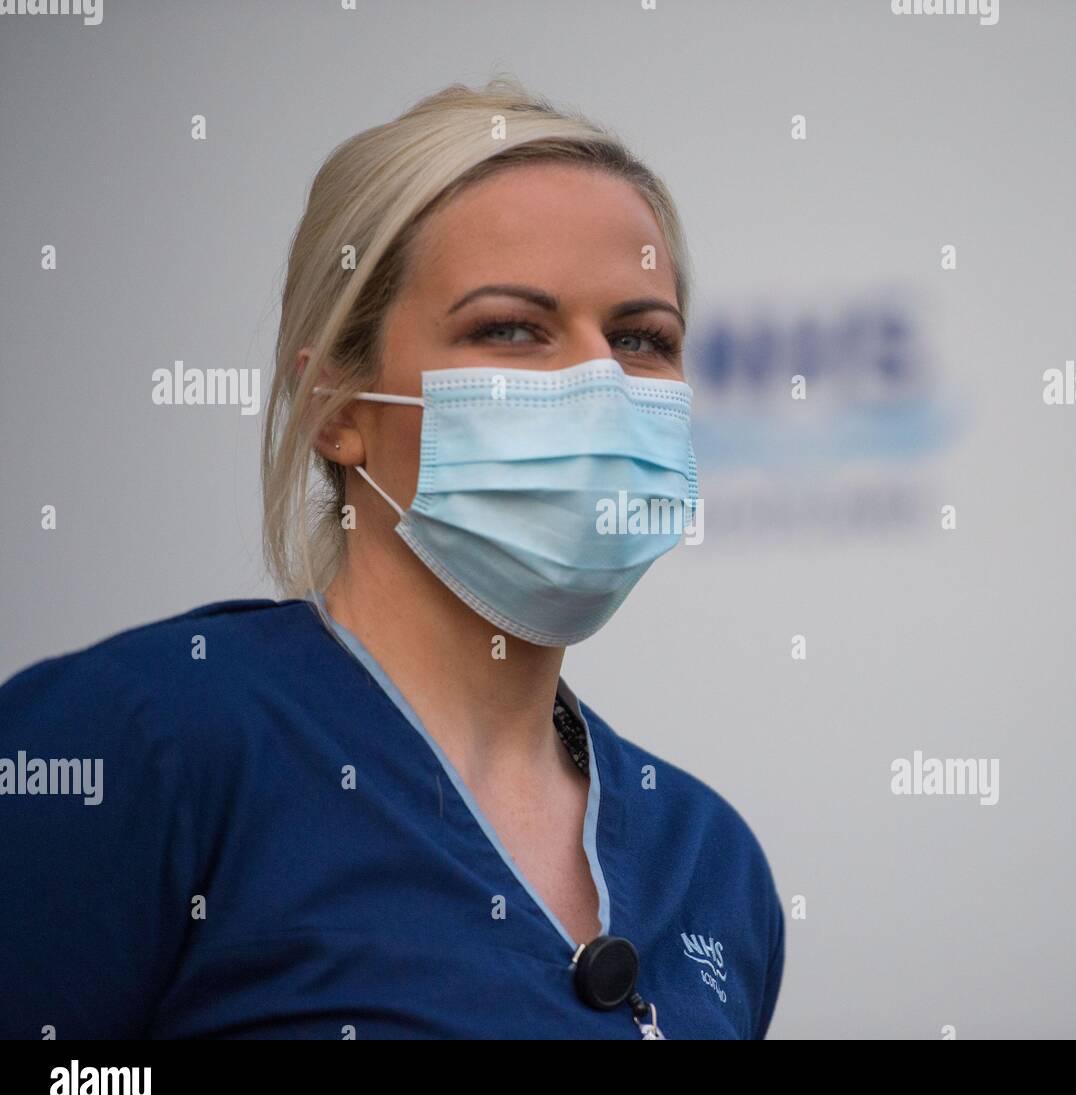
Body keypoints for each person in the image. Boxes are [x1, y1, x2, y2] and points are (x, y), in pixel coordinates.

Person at [0, 79, 784, 1040]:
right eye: (510, 328)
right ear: (335, 409)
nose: (601, 385)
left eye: (641, 338)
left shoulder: (708, 860)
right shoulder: (137, 747)